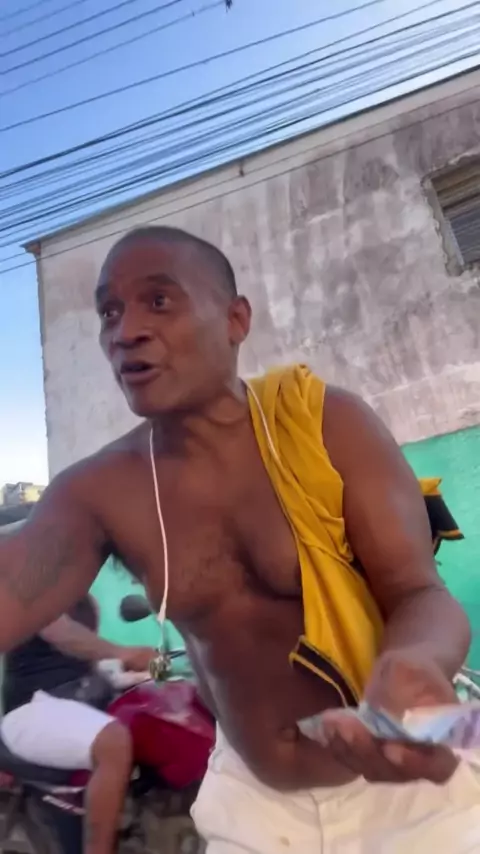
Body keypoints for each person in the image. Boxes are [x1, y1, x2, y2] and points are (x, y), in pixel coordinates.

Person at [0, 225, 476, 852]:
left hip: (413, 769)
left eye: (159, 301)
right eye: (109, 312)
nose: (127, 331)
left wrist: (413, 663)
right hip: (255, 807)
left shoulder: (327, 425)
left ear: (236, 319)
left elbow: (420, 592)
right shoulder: (100, 492)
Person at [1, 591, 155, 854]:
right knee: (113, 742)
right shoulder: (33, 589)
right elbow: (63, 635)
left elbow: (86, 661)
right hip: (32, 708)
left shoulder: (87, 602)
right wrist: (123, 653)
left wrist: (129, 675)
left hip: (78, 700)